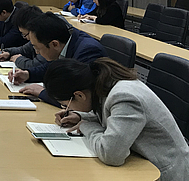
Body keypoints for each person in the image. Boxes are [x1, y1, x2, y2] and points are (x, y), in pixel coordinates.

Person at [44, 58, 189, 180]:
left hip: (164, 173)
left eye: (66, 105)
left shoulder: (124, 97)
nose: (67, 108)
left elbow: (111, 154)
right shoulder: (105, 84)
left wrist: (85, 126)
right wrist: (80, 116)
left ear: (79, 95)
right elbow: (112, 116)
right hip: (142, 159)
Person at [10, 12, 107, 100]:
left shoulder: (88, 52)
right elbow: (52, 67)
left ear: (54, 44)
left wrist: (42, 93)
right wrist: (28, 74)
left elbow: (79, 99)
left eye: (37, 48)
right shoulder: (65, 43)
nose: (37, 53)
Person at [0, 5, 47, 70]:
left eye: (25, 34)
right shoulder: (35, 39)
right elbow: (23, 50)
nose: (26, 38)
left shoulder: (45, 40)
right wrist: (8, 52)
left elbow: (36, 65)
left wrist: (18, 59)